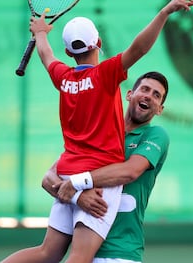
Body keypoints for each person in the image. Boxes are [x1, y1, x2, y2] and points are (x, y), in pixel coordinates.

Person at [1, 0, 193, 263]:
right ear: (99, 43)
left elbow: (46, 56)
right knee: (78, 259)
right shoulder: (106, 75)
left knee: (46, 253)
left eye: (156, 95)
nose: (148, 96)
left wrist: (41, 33)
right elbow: (139, 48)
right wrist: (164, 12)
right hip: (97, 178)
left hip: (67, 173)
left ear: (69, 53)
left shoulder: (63, 77)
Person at [43, 71, 169, 263]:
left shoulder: (155, 135)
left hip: (121, 253)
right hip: (82, 251)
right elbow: (49, 178)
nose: (149, 96)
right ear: (129, 95)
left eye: (156, 95)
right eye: (145, 89)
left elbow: (130, 171)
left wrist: (77, 183)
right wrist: (78, 196)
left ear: (160, 109)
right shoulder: (101, 132)